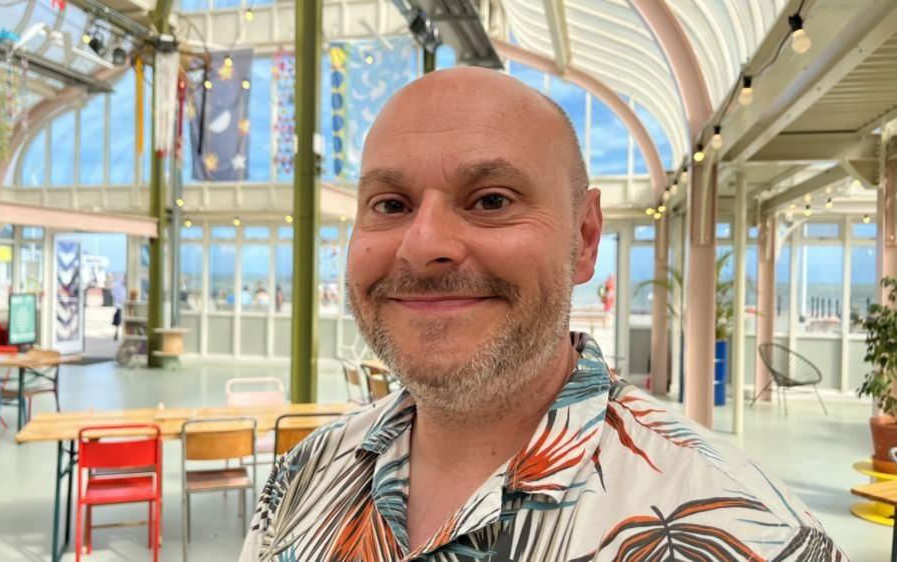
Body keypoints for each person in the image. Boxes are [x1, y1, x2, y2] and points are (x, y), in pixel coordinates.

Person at [240, 68, 844, 561]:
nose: (421, 246)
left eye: (492, 200)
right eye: (390, 204)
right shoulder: (303, 474)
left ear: (584, 239)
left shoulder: (751, 534)